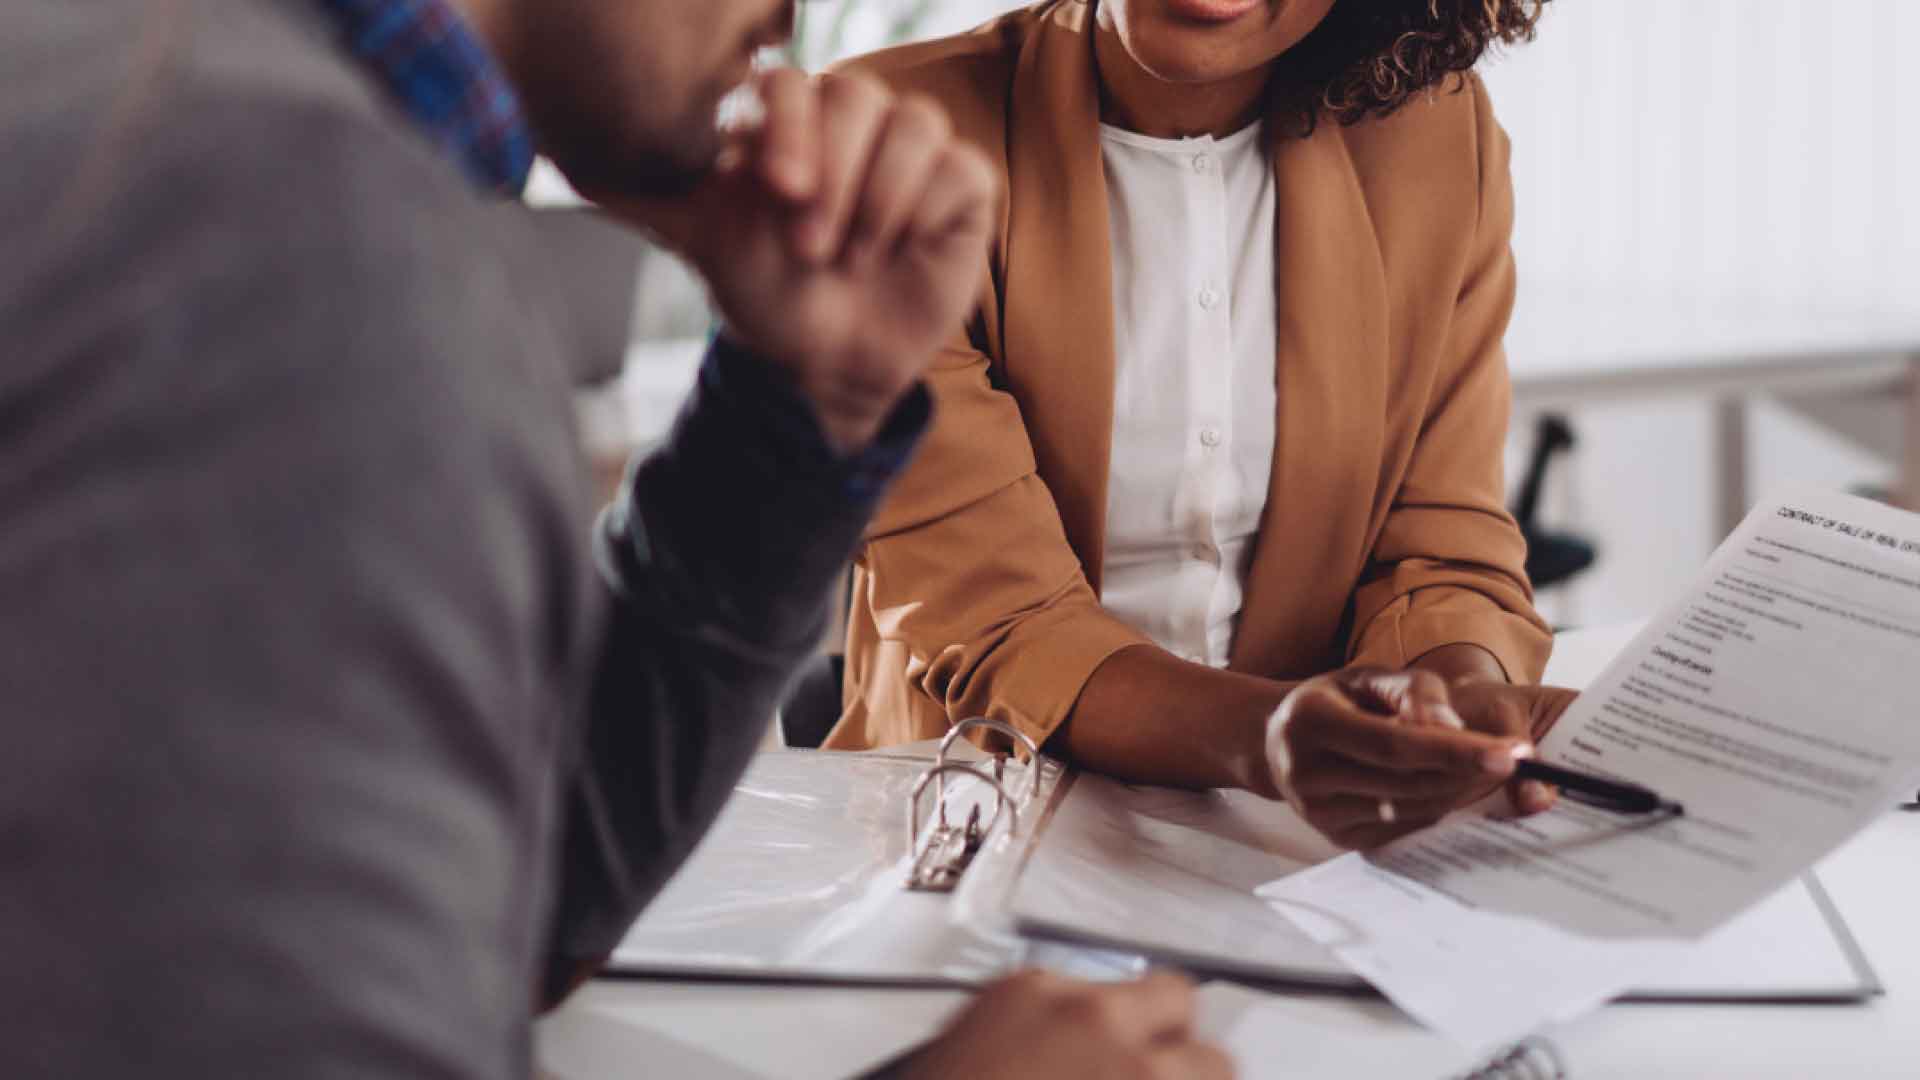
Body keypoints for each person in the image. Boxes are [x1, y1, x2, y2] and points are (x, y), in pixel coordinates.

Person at [0, 0, 1229, 1076]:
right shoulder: (314, 243)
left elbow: (497, 916)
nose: (792, 16)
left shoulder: (165, 106)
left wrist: (794, 414)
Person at [824, 0, 1581, 849]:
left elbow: (1439, 545)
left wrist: (1461, 697)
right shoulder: (886, 141)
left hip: (1297, 845)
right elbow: (1001, 621)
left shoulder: (1434, 134)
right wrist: (1270, 736)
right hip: (971, 822)